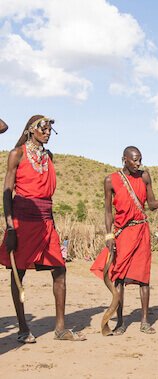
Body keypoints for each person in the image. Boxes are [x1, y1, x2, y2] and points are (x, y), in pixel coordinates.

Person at [0, 115, 85, 343]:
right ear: (31, 130)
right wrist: (10, 228)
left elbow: (47, 197)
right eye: (44, 129)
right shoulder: (17, 154)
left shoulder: (49, 157)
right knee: (18, 273)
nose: (48, 133)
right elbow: (7, 193)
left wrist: (54, 225)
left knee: (60, 270)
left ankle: (60, 328)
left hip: (46, 221)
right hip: (22, 221)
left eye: (49, 130)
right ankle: (22, 328)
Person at [90, 146, 158, 335]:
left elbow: (152, 205)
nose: (138, 163)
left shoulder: (144, 176)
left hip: (142, 231)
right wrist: (109, 236)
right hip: (122, 234)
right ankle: (121, 322)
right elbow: (107, 211)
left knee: (143, 279)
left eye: (140, 159)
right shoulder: (110, 180)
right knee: (119, 279)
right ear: (124, 159)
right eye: (135, 160)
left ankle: (145, 321)